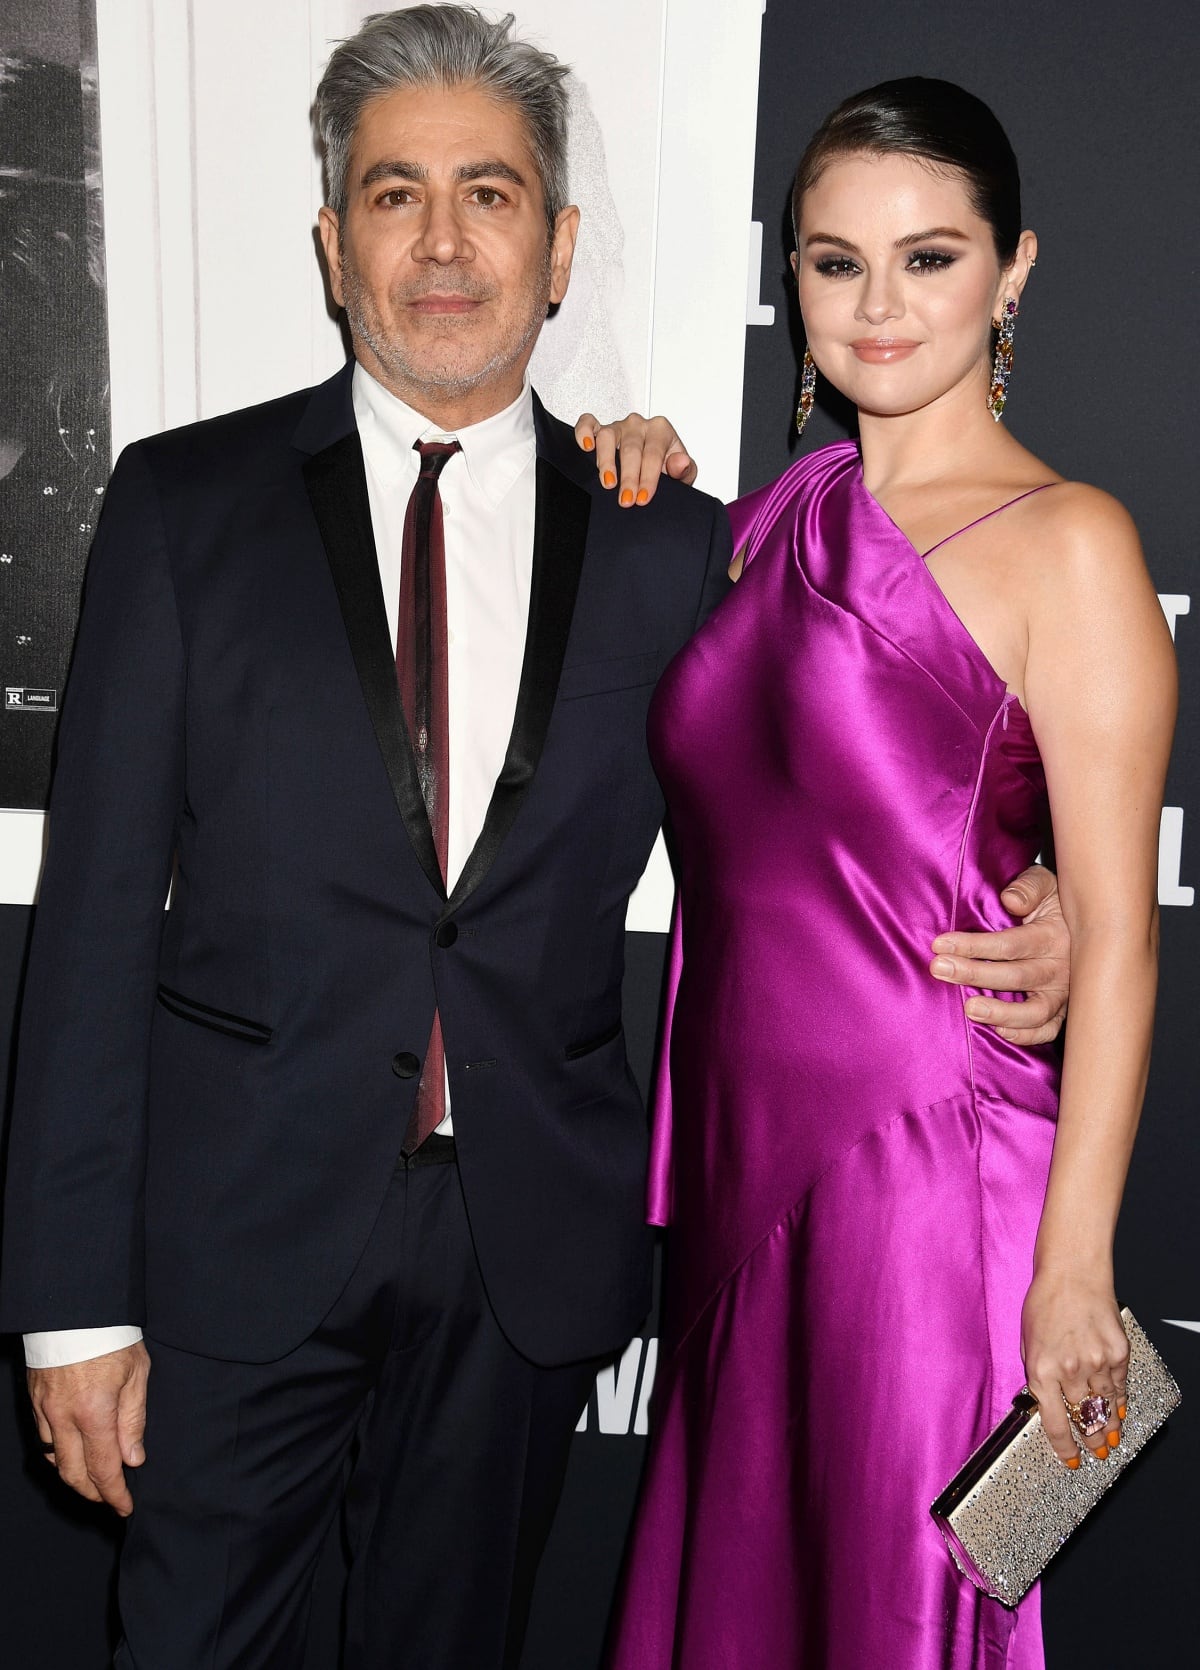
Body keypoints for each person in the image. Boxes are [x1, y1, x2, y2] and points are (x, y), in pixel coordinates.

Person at [0, 14, 1067, 1663]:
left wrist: (1034, 895)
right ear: (331, 241)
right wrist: (71, 1305)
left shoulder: (678, 552)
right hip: (230, 1246)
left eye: (490, 195)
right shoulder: (178, 507)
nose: (442, 242)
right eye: (393, 195)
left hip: (523, 1259)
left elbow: (857, 791)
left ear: (556, 246)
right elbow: (82, 933)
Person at [581, 78, 1175, 1670]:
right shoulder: (763, 523)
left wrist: (1076, 1268)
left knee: (908, 1612)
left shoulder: (1073, 543)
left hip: (934, 1183)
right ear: (793, 283)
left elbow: (1115, 943)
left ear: (1015, 270)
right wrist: (625, 457)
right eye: (835, 262)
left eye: (930, 257)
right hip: (739, 1170)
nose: (879, 304)